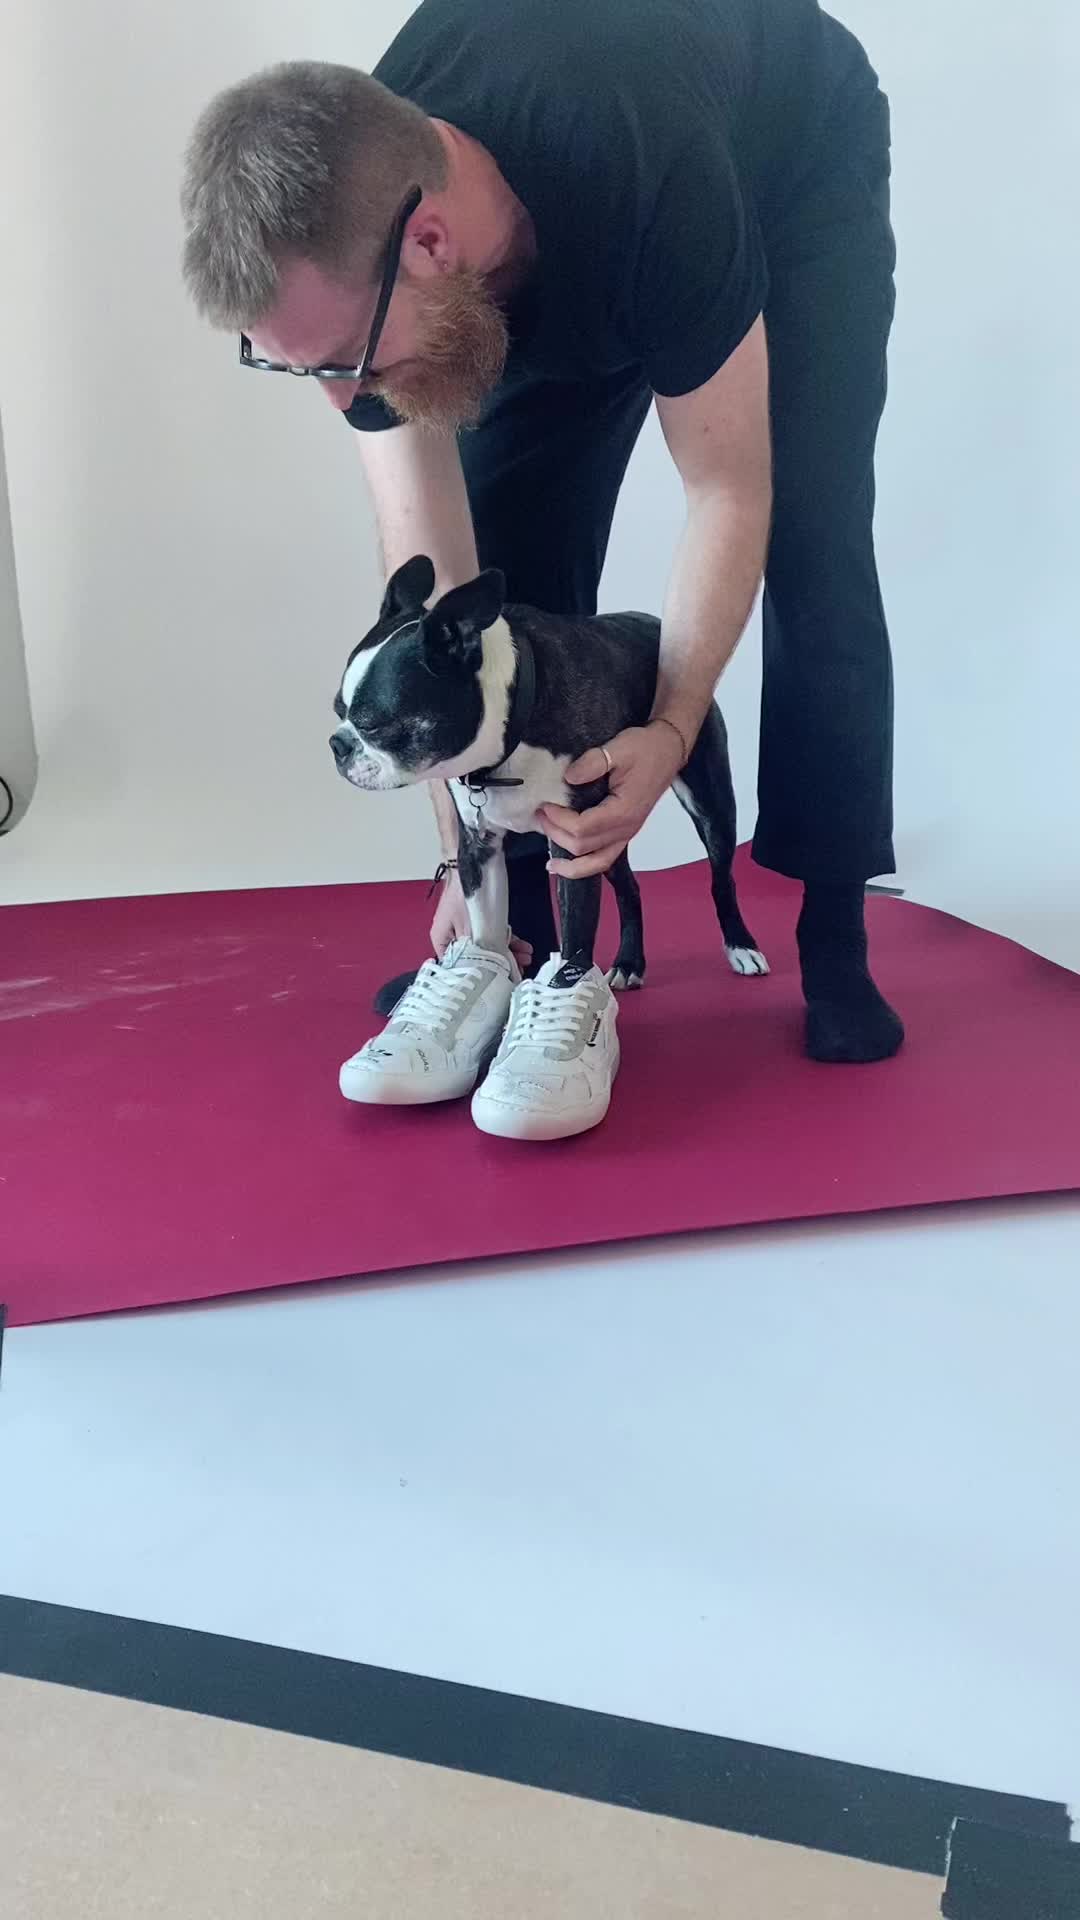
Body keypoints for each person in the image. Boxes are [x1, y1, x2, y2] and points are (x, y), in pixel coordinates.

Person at [181, 0, 905, 1136]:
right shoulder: (370, 192)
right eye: (298, 368)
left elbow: (727, 490)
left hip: (782, 157)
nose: (344, 399)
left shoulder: (651, 177)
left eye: (346, 361)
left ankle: (834, 923)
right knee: (500, 580)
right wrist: (459, 862)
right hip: (561, 215)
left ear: (428, 243)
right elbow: (431, 593)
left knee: (813, 525)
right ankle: (511, 937)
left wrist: (669, 732)